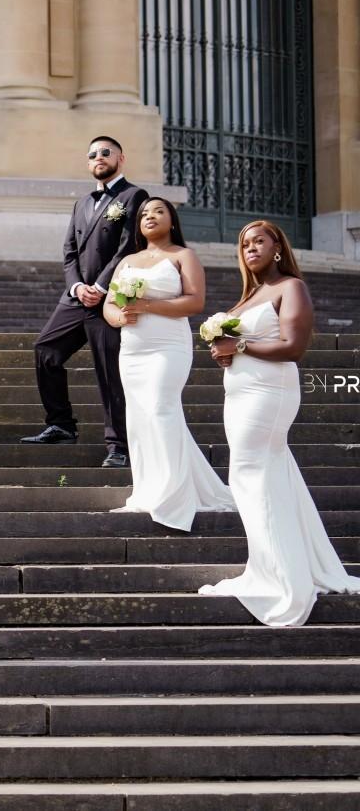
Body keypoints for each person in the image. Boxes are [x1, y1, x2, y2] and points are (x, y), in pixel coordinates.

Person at [199, 221, 360, 625]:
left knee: (249, 476)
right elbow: (246, 347)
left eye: (259, 241)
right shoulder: (249, 295)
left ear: (277, 248)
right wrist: (226, 353)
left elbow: (294, 347)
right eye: (245, 243)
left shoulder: (292, 288)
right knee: (268, 475)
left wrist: (238, 344)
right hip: (239, 394)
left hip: (269, 394)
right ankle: (279, 564)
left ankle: (279, 575)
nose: (251, 247)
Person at [102, 198, 233, 530]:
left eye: (158, 211)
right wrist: (120, 316)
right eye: (144, 213)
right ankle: (148, 489)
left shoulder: (182, 256)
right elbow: (109, 305)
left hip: (167, 345)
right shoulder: (127, 261)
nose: (150, 217)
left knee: (161, 409)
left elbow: (195, 301)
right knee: (138, 416)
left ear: (172, 220)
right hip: (132, 349)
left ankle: (172, 493)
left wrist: (145, 305)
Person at [23, 136, 149, 468]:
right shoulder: (81, 203)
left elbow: (129, 246)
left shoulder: (134, 196)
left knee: (109, 370)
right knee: (46, 349)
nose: (98, 157)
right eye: (92, 154)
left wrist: (101, 286)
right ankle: (61, 424)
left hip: (110, 298)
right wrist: (77, 286)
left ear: (121, 159)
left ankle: (119, 445)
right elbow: (69, 253)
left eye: (105, 152)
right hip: (77, 298)